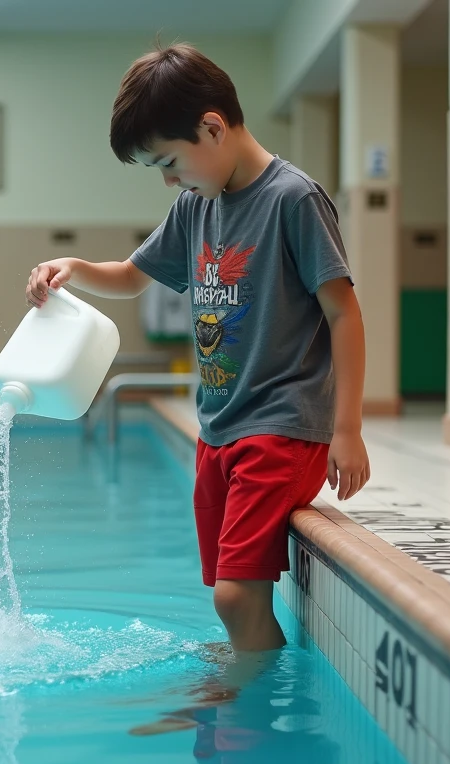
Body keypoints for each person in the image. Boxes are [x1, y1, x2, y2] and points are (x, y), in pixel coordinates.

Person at [25, 43, 369, 654]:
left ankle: (245, 686)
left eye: (170, 162)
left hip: (280, 429)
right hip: (219, 431)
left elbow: (343, 311)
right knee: (226, 591)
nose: (169, 179)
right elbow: (133, 277)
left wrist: (347, 429)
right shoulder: (195, 206)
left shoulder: (294, 199)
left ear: (212, 126)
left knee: (234, 596)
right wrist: (73, 266)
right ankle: (249, 666)